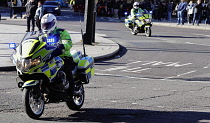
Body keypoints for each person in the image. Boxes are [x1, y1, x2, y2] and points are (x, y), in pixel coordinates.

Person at [39, 14, 76, 95]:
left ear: (54, 23)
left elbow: (68, 43)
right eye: (44, 25)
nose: (46, 27)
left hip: (63, 57)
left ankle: (71, 91)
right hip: (48, 57)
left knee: (67, 70)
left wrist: (62, 45)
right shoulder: (41, 35)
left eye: (48, 25)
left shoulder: (62, 32)